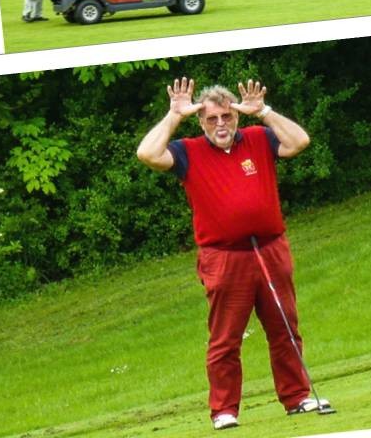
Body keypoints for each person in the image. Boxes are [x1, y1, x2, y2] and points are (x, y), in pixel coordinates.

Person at [136, 78, 331, 430]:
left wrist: (264, 111)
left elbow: (299, 141)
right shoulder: (187, 151)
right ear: (201, 121)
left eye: (227, 116)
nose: (221, 124)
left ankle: (297, 397)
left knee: (285, 328)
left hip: (270, 249)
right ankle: (224, 410)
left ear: (236, 116)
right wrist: (174, 116)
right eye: (212, 119)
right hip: (224, 257)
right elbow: (147, 154)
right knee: (225, 338)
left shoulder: (258, 138)